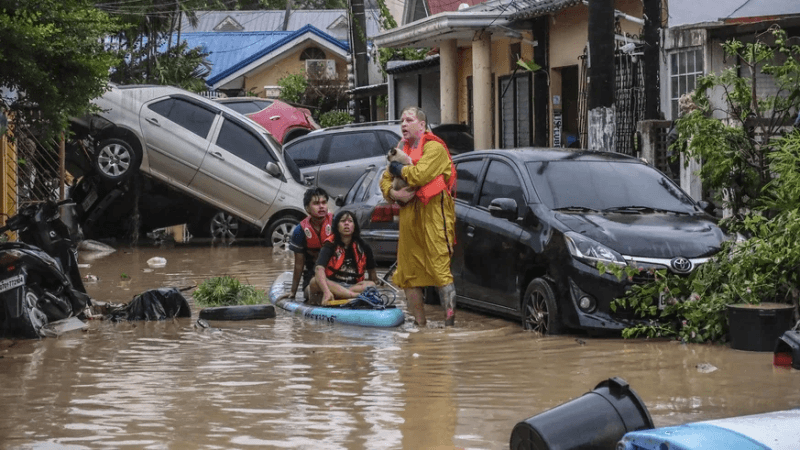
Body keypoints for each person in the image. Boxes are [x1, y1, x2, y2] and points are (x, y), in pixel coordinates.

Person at [380, 106, 457, 326]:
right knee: (408, 274)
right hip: (408, 220)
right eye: (402, 120)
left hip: (434, 217)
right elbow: (383, 181)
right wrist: (394, 193)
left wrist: (397, 169)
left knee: (441, 272)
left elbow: (419, 175)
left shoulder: (434, 148)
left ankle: (449, 327)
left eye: (409, 120)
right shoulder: (401, 148)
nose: (403, 124)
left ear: (422, 125)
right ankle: (420, 326)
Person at [308, 210, 381, 305]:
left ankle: (343, 294)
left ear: (354, 226)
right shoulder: (329, 245)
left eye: (350, 221)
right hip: (332, 285)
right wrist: (326, 291)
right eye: (343, 221)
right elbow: (319, 269)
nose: (346, 224)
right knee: (314, 281)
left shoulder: (364, 247)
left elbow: (372, 275)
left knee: (371, 285)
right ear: (337, 226)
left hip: (352, 286)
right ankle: (355, 296)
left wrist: (375, 284)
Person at [287, 187, 333, 301]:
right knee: (312, 288)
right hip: (313, 278)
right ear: (307, 208)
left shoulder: (338, 224)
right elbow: (299, 265)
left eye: (324, 202)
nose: (321, 206)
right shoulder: (300, 231)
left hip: (336, 276)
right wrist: (293, 292)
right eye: (316, 203)